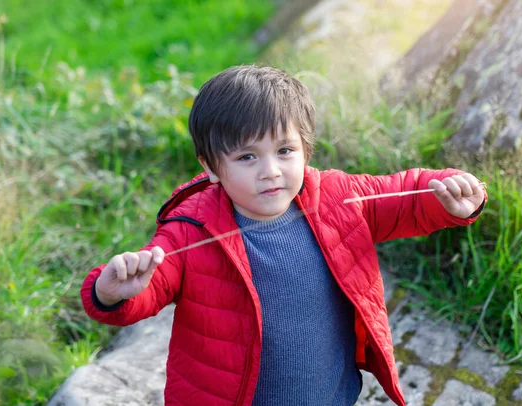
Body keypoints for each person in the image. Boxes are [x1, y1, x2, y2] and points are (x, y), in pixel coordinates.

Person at [81, 65, 487, 406]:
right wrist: (115, 290)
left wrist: (449, 194)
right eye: (247, 157)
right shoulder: (191, 229)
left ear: (306, 149)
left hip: (331, 394)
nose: (270, 171)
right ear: (210, 167)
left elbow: (404, 197)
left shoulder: (337, 198)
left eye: (284, 151)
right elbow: (150, 285)